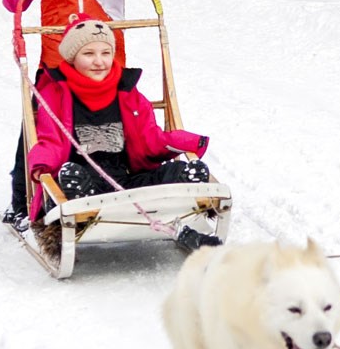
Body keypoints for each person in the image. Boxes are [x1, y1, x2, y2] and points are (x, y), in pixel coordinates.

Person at [1, 0, 163, 227]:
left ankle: (128, 185)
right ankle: (24, 201)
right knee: (42, 124)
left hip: (107, 56)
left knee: (123, 123)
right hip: (57, 59)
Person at [25, 15, 218, 249]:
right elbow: (50, 140)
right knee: (70, 176)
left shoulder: (127, 91)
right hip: (83, 177)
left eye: (105, 53)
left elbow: (149, 138)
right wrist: (41, 166)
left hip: (125, 180)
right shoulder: (55, 93)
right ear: (72, 57)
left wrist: (185, 142)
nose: (99, 61)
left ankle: (187, 193)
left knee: (175, 170)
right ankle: (83, 200)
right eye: (88, 54)